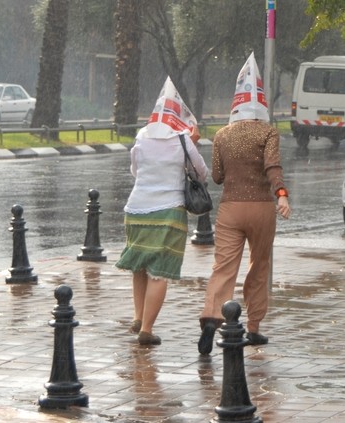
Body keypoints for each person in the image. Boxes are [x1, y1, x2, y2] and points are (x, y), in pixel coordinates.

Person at [197, 52, 291, 355]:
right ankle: (253, 327)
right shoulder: (268, 132)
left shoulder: (222, 135)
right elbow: (272, 167)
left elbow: (218, 177)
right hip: (262, 207)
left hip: (230, 209)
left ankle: (211, 319)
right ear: (262, 104)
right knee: (259, 266)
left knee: (223, 267)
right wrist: (281, 194)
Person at [116, 77, 209, 346]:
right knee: (159, 272)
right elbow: (200, 173)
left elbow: (135, 171)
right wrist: (193, 143)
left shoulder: (141, 136)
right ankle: (146, 328)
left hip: (136, 209)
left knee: (140, 267)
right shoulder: (182, 139)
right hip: (168, 212)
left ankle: (137, 316)